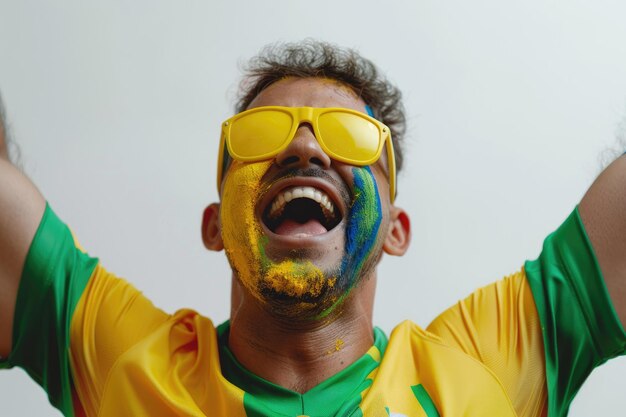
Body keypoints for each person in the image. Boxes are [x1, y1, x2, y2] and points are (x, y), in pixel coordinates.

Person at [0, 40, 624, 417]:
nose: (305, 147)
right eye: (262, 131)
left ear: (395, 231)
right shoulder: (132, 366)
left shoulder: (475, 374)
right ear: (215, 224)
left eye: (350, 139)